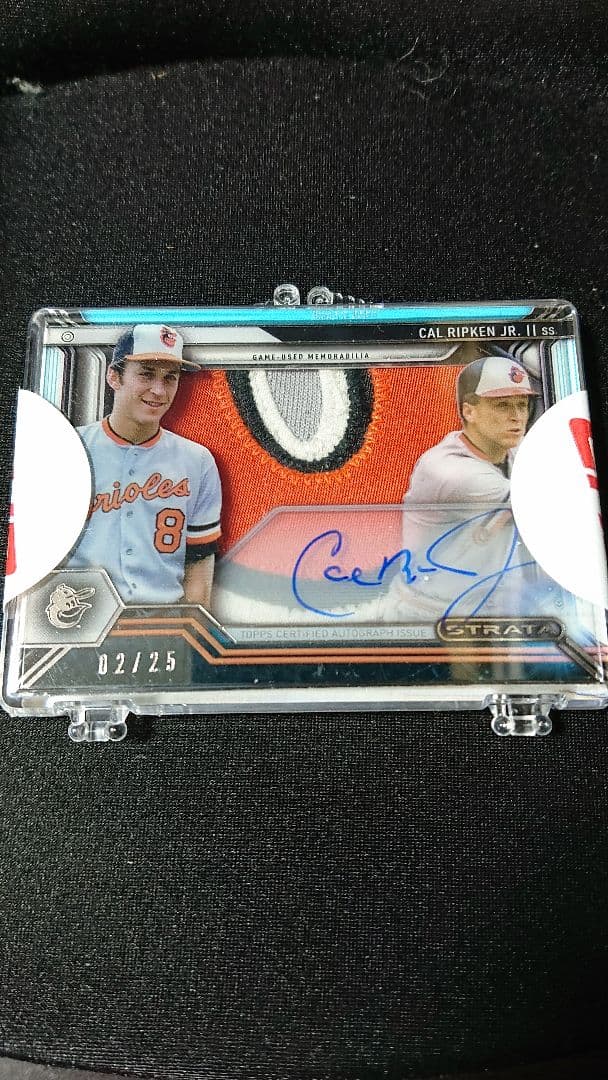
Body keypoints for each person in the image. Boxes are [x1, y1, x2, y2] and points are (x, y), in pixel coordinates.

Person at [383, 353, 545, 621]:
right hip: (425, 617)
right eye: (503, 406)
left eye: (522, 405)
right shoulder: (448, 470)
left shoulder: (510, 449)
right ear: (469, 411)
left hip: (486, 612)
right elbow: (547, 506)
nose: (517, 417)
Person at [68, 324, 221, 607]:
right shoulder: (68, 448)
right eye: (146, 374)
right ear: (114, 376)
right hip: (82, 615)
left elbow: (199, 569)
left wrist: (187, 632)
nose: (159, 390)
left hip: (163, 620)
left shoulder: (198, 461)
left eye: (170, 378)